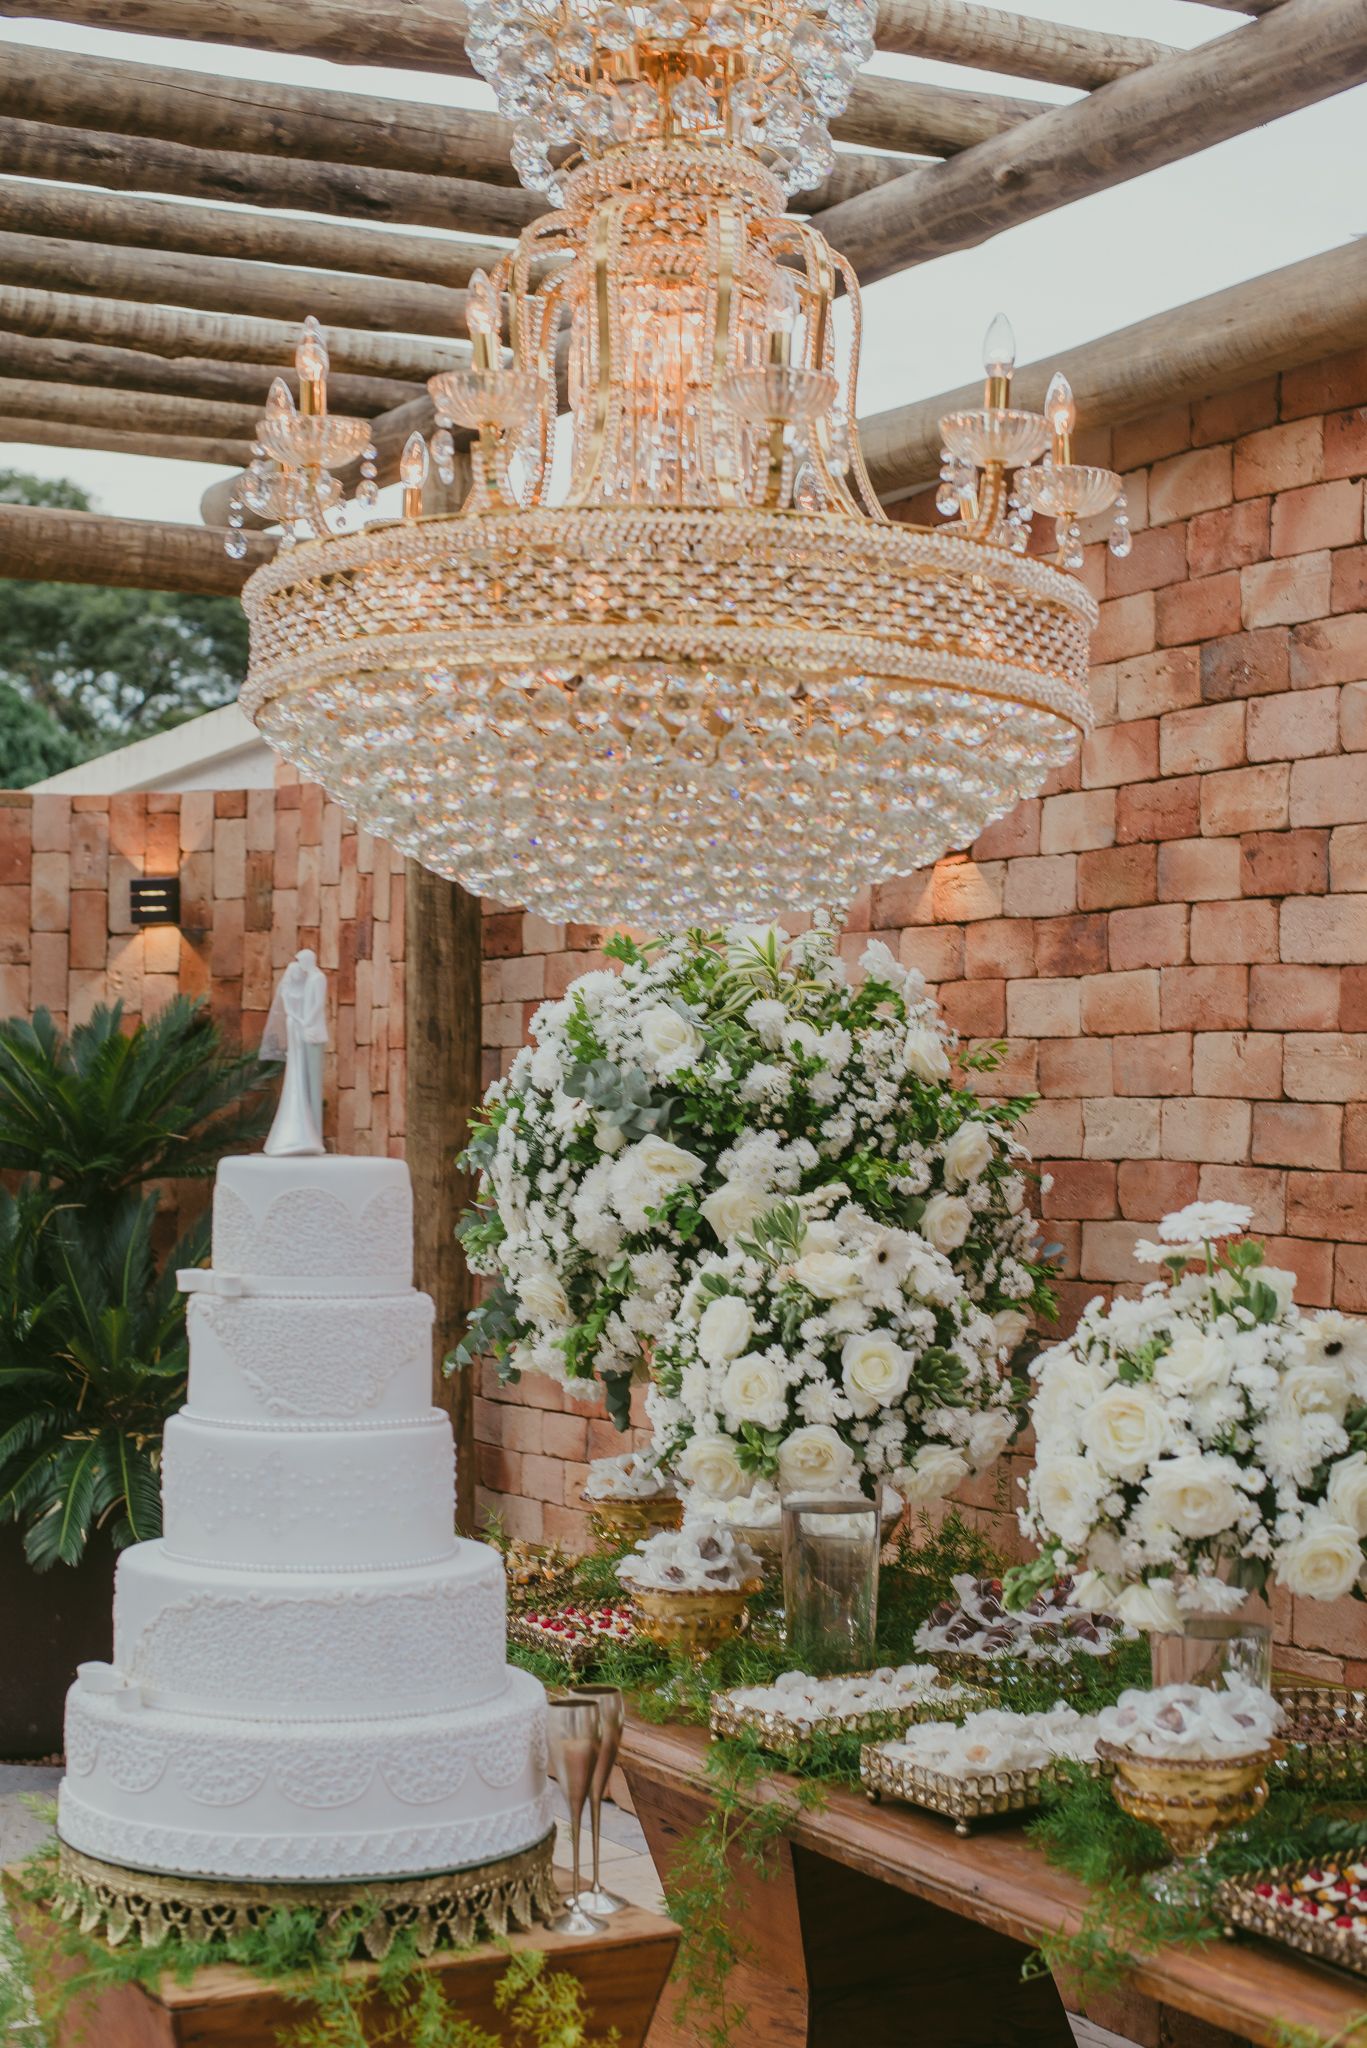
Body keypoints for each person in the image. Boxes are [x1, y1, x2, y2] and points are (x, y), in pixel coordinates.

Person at [260, 948, 329, 1156]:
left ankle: (313, 1132)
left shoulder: (317, 979)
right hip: (299, 1027)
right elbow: (292, 1009)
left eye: (300, 962)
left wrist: (306, 1022)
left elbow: (317, 1004)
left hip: (308, 1029)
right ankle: (308, 1131)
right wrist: (302, 1021)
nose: (298, 967)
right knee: (300, 1073)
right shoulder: (297, 985)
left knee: (310, 1079)